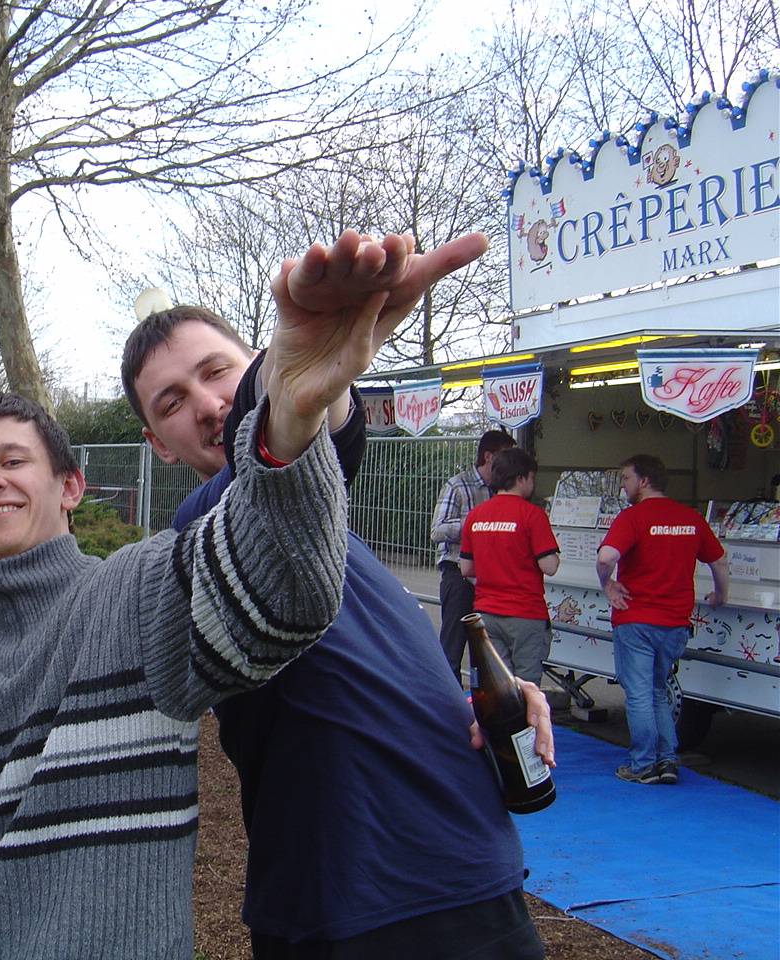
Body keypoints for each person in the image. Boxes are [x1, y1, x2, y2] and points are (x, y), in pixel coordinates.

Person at [0, 234, 394, 959]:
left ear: (71, 486)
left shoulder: (141, 592)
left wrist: (292, 422)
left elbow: (287, 589)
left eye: (13, 460)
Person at [121, 230, 553, 960]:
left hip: (474, 868)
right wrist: (291, 398)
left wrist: (490, 701)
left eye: (217, 372)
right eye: (172, 402)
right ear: (158, 443)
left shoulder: (332, 528)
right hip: (355, 907)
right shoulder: (206, 534)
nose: (206, 404)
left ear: (252, 360)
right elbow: (277, 458)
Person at [596, 454, 729, 785]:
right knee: (657, 690)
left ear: (643, 481)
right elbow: (719, 561)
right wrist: (719, 595)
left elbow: (606, 557)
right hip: (675, 622)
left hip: (636, 619)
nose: (623, 485)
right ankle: (667, 759)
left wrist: (607, 584)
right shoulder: (690, 518)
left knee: (639, 693)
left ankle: (643, 764)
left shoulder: (632, 518)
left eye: (626, 478)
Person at [459, 447, 561, 684]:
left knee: (497, 684)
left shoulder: (475, 515)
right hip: (525, 613)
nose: (532, 484)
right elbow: (549, 566)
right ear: (521, 478)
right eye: (532, 478)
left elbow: (466, 568)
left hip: (486, 612)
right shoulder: (533, 515)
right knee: (527, 686)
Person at [431, 429, 516, 680]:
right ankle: (448, 698)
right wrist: (475, 523)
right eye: (506, 456)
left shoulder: (502, 489)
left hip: (491, 577)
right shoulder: (458, 485)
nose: (509, 462)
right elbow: (437, 530)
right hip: (458, 574)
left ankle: (482, 698)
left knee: (486, 650)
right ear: (489, 456)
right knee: (453, 645)